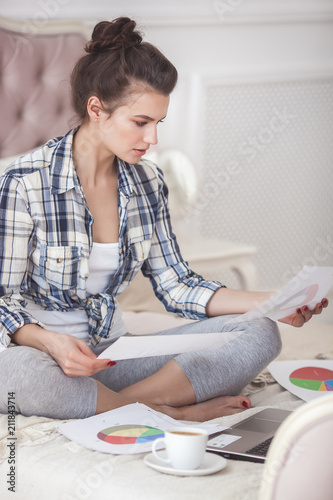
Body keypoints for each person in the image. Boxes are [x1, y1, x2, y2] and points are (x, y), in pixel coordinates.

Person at [0, 17, 328, 422]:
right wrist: (51, 343)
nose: (152, 139)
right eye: (141, 122)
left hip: (112, 358)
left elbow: (177, 284)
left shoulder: (148, 182)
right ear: (97, 109)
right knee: (24, 378)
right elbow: (2, 301)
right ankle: (167, 411)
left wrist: (273, 304)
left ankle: (123, 407)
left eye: (159, 123)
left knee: (259, 333)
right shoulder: (23, 183)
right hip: (42, 357)